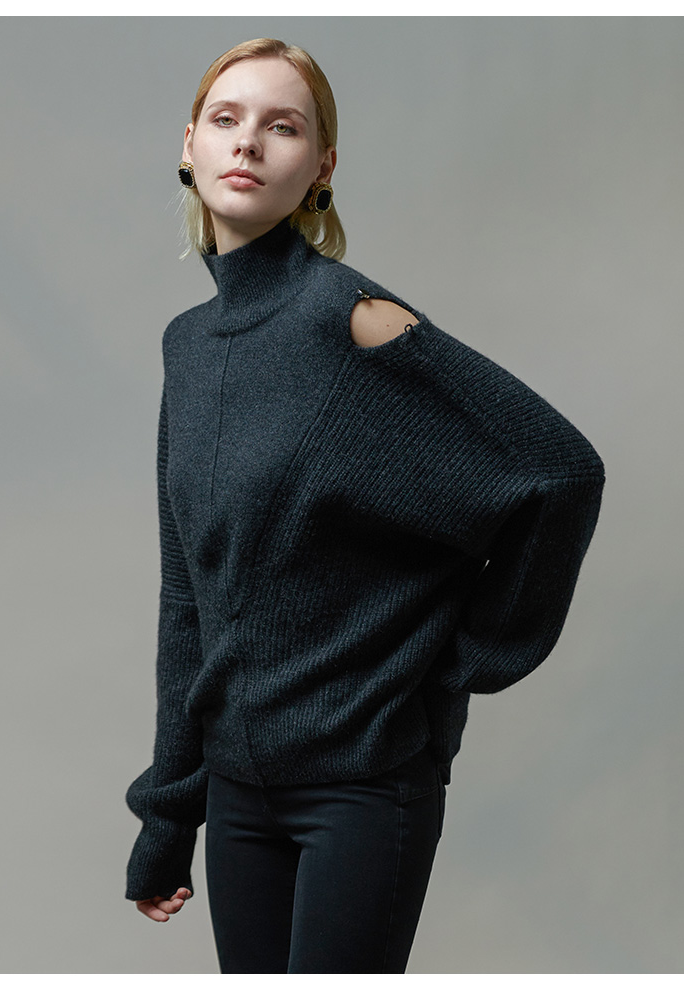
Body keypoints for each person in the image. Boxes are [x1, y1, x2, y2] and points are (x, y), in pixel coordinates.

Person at [124, 38, 605, 974]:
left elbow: (559, 472)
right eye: (226, 119)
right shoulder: (188, 346)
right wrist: (169, 812)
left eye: (282, 126)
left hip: (362, 788)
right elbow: (188, 598)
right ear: (189, 145)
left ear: (321, 167)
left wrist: (462, 665)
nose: (247, 142)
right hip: (236, 794)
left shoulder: (345, 317)